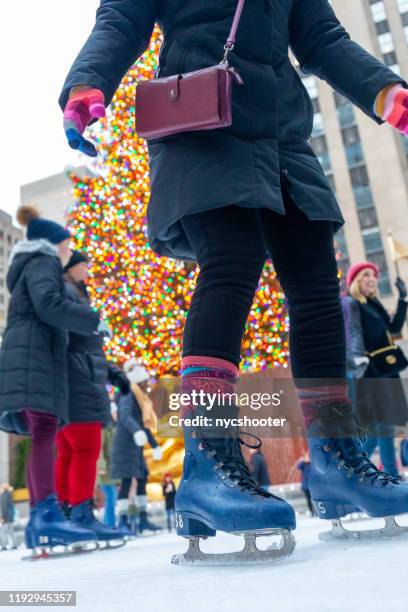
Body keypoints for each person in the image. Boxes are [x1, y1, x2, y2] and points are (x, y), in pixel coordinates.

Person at [60, 1, 408, 561]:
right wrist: (86, 82)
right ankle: (208, 462)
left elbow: (320, 36)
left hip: (281, 137)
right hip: (201, 119)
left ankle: (336, 459)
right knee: (231, 260)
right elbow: (121, 20)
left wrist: (384, 91)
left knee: (318, 281)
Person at [0, 206, 108, 554]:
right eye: (66, 245)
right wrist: (91, 319)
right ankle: (45, 516)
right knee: (45, 429)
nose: (68, 251)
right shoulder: (43, 261)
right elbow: (48, 303)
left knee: (42, 431)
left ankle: (40, 519)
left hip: (31, 353)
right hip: (35, 355)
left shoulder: (33, 264)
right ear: (53, 244)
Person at [55, 251, 130, 544]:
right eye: (84, 264)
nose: (88, 270)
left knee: (69, 452)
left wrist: (114, 374)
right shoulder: (68, 293)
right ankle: (81, 514)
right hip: (78, 383)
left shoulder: (75, 294)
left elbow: (92, 351)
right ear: (72, 267)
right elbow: (82, 347)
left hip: (74, 381)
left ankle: (64, 514)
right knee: (85, 448)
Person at [344, 263, 408, 478]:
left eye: (374, 275)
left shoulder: (374, 303)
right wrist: (360, 367)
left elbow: (394, 329)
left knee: (386, 427)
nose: (372, 278)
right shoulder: (353, 304)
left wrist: (403, 299)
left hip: (386, 371)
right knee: (377, 428)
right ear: (356, 281)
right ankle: (352, 471)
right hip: (370, 372)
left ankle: (391, 477)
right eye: (366, 275)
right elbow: (353, 333)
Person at [111, 360, 163, 534]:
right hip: (125, 444)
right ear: (138, 381)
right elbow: (124, 416)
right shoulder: (128, 394)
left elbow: (144, 425)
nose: (147, 384)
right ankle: (123, 521)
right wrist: (135, 432)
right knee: (127, 481)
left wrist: (155, 446)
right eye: (145, 381)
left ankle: (142, 519)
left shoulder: (141, 398)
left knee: (142, 478)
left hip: (136, 446)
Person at [98, 389, 120, 528]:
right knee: (111, 497)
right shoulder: (104, 429)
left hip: (111, 470)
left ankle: (108, 524)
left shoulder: (113, 428)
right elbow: (100, 448)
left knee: (112, 498)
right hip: (104, 471)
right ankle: (110, 524)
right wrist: (101, 466)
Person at [0, 484, 17, 550]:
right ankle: (15, 545)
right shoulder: (8, 495)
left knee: (2, 532)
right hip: (10, 516)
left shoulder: (3, 496)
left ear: (3, 489)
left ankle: (4, 546)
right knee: (11, 531)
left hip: (6, 517)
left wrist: (2, 517)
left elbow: (4, 508)